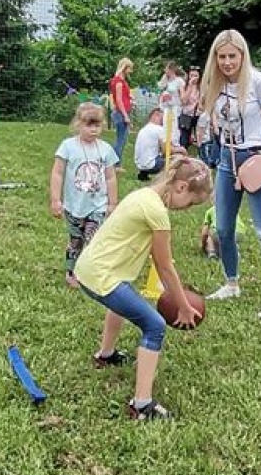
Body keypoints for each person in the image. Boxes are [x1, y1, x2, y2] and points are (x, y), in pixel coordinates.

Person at [72, 156, 213, 420]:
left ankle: (106, 354)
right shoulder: (156, 211)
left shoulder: (143, 196)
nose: (188, 208)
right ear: (181, 187)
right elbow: (165, 267)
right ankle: (141, 405)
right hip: (102, 278)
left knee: (125, 296)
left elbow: (160, 259)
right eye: (192, 202)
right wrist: (183, 305)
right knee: (154, 326)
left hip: (89, 271)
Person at [200, 29, 261, 321]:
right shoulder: (217, 83)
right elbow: (215, 115)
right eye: (221, 56)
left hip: (257, 159)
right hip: (227, 158)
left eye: (232, 56)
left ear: (242, 55)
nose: (227, 62)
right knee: (223, 228)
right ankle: (231, 282)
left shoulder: (259, 83)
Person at [50, 102, 119, 289]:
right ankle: (71, 271)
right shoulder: (68, 147)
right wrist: (56, 200)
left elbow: (111, 177)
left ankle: (91, 273)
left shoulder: (105, 149)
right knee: (76, 241)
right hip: (74, 206)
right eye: (89, 125)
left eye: (97, 125)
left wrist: (112, 203)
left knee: (94, 239)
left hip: (98, 204)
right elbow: (57, 173)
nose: (93, 130)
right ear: (78, 124)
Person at [133, 109, 184, 180]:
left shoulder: (143, 129)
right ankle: (170, 179)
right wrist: (180, 149)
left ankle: (143, 174)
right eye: (162, 117)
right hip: (151, 165)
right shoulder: (159, 129)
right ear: (156, 115)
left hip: (139, 165)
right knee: (178, 158)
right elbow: (166, 150)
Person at [108, 58, 135, 165]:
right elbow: (119, 99)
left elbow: (123, 97)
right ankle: (115, 163)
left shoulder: (121, 81)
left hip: (123, 111)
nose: (131, 71)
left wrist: (130, 100)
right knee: (121, 140)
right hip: (121, 113)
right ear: (124, 68)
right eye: (130, 68)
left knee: (122, 139)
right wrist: (125, 116)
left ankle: (115, 162)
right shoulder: (119, 81)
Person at [178, 67, 202, 150]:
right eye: (191, 75)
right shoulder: (183, 86)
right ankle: (182, 155)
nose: (193, 77)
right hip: (186, 115)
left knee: (200, 139)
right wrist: (190, 86)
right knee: (184, 140)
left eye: (196, 75)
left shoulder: (201, 87)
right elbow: (184, 101)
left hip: (198, 115)